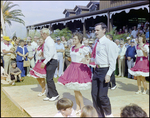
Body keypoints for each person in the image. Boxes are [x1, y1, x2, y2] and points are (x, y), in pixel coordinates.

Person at [57, 32, 92, 115]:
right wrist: (66, 71)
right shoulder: (72, 48)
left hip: (80, 69)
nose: (73, 40)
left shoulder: (84, 48)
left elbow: (89, 58)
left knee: (76, 89)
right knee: (75, 89)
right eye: (73, 38)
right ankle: (78, 107)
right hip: (72, 68)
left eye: (75, 39)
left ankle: (82, 106)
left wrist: (86, 59)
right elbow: (72, 60)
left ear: (80, 40)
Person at [89, 22, 118, 117]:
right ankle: (100, 115)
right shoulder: (96, 43)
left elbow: (113, 61)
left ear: (104, 30)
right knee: (94, 95)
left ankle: (109, 115)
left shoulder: (109, 44)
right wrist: (89, 60)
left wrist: (109, 74)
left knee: (102, 96)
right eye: (95, 30)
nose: (95, 32)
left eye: (98, 30)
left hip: (104, 70)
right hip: (96, 70)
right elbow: (97, 58)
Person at [40, 28, 59, 101]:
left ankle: (55, 94)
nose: (41, 36)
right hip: (49, 61)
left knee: (49, 79)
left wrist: (44, 62)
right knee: (48, 79)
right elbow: (47, 52)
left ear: (45, 34)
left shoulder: (50, 41)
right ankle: (49, 95)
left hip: (52, 61)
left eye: (41, 34)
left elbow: (51, 54)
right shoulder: (47, 41)